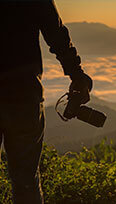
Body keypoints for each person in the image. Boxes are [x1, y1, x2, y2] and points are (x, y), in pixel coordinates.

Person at [0, 0, 92, 203]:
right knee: (26, 182)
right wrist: (77, 75)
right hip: (23, 96)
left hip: (24, 96)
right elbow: (56, 33)